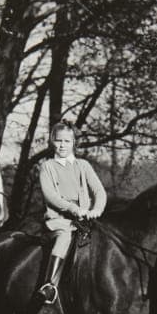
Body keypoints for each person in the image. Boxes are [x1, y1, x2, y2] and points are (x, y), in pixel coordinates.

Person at [37, 122, 107, 304]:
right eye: (58, 140)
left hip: (85, 220)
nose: (62, 145)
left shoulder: (83, 165)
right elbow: (50, 196)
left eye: (67, 141)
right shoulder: (48, 167)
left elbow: (99, 191)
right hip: (60, 221)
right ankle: (50, 284)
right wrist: (74, 209)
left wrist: (96, 209)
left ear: (73, 142)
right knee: (65, 238)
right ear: (52, 141)